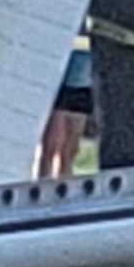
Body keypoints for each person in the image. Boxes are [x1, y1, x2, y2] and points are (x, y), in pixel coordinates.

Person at [37, 40, 95, 179]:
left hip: (83, 81)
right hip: (59, 79)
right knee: (51, 147)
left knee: (70, 151)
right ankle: (42, 189)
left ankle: (64, 191)